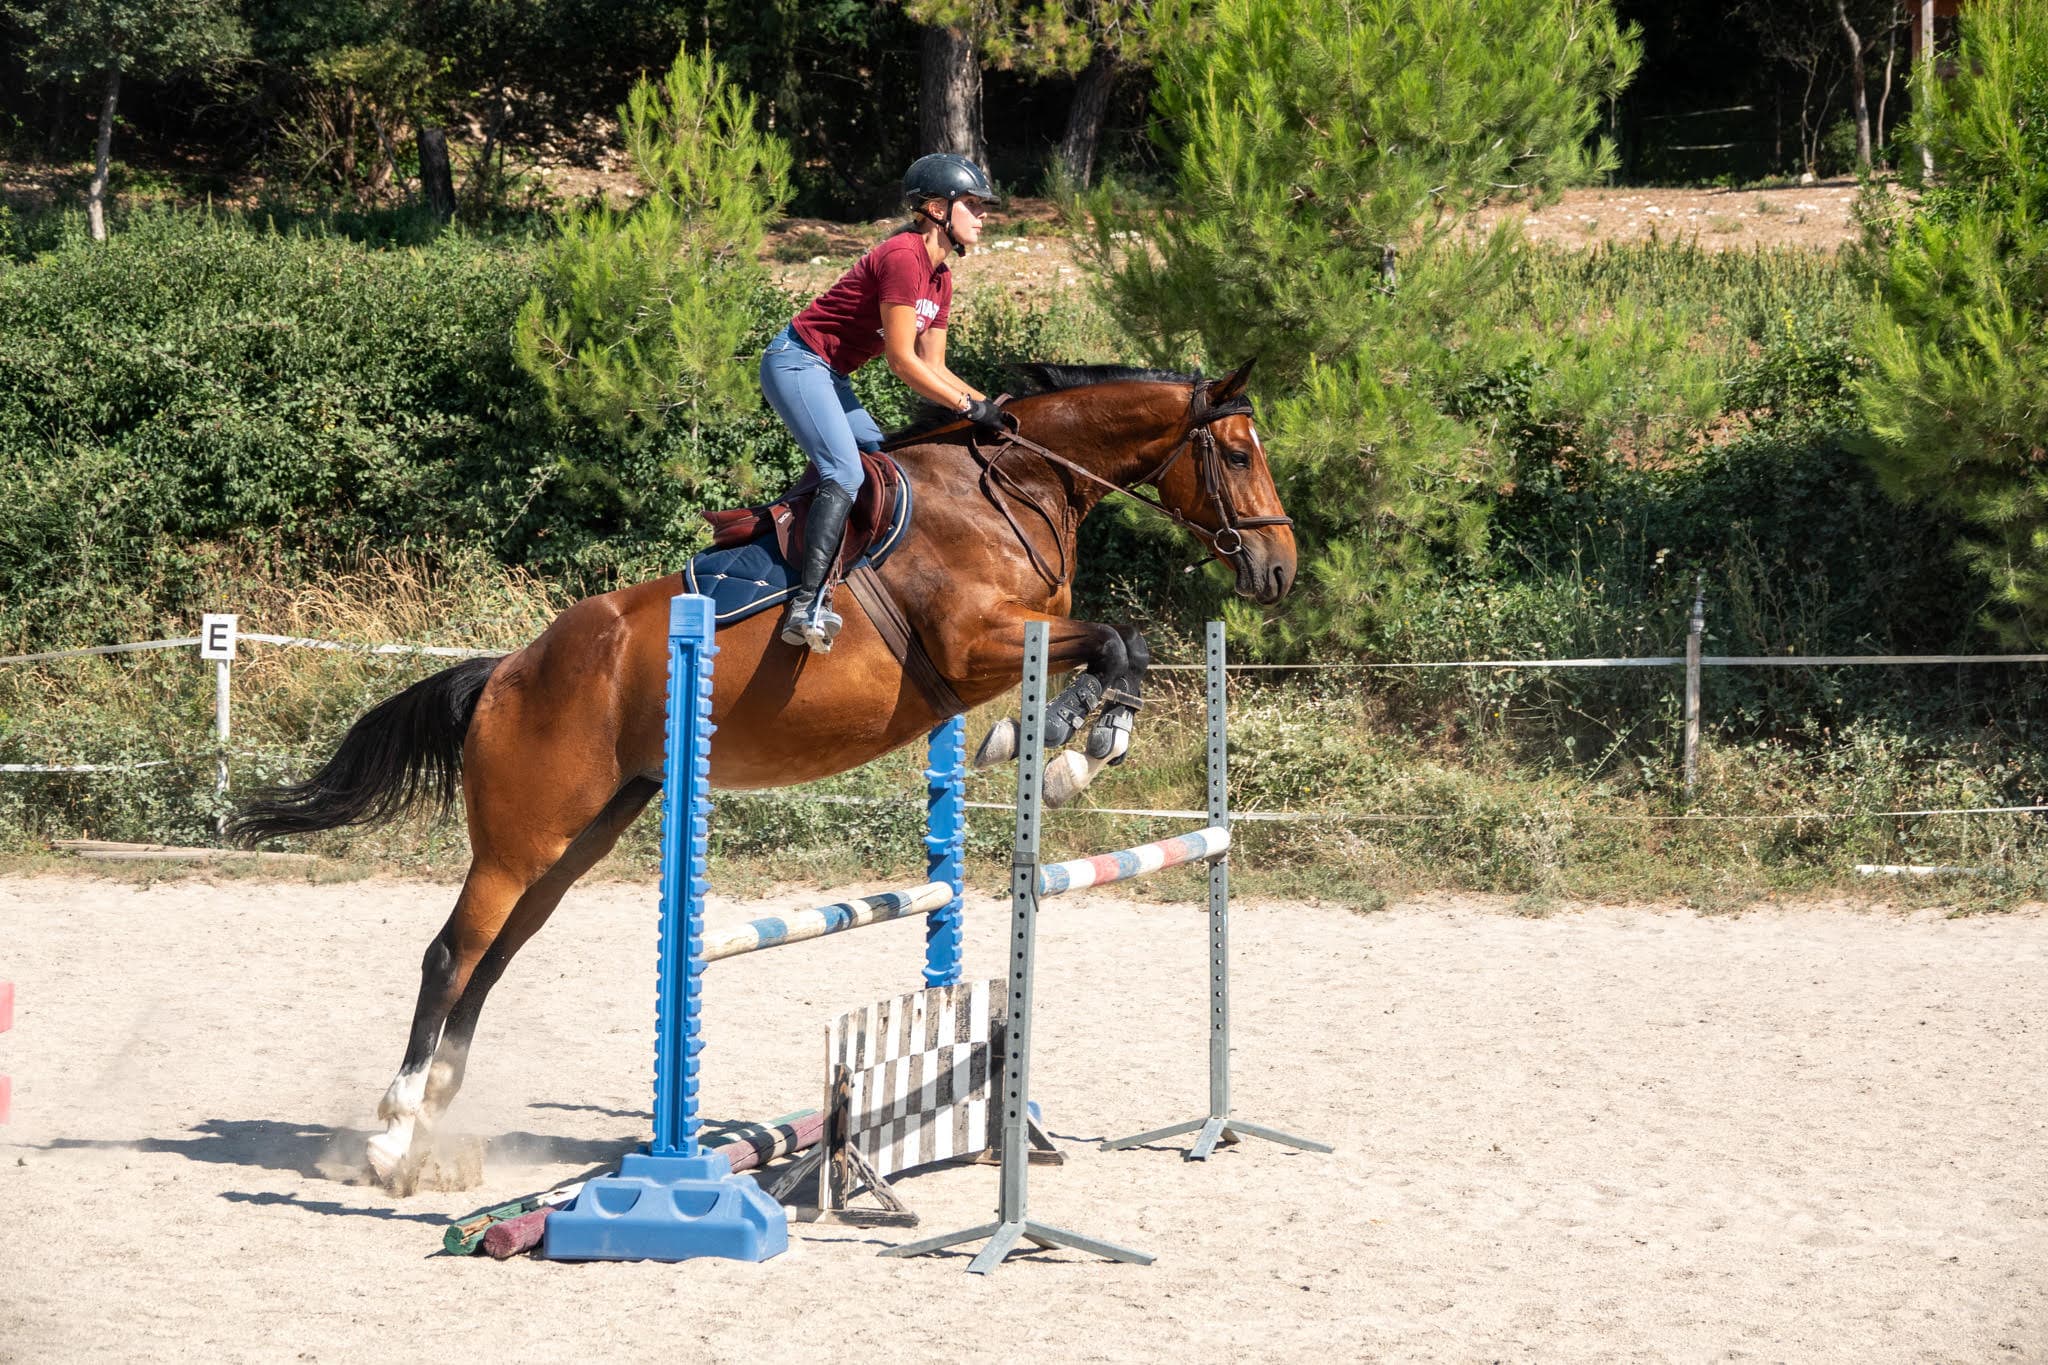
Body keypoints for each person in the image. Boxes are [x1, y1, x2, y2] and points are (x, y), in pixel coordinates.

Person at [759, 152, 1011, 653]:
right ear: (938, 208)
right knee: (846, 473)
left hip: (829, 374)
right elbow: (902, 361)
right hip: (795, 362)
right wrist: (967, 409)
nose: (983, 217)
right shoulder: (903, 257)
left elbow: (934, 365)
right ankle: (807, 604)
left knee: (883, 465)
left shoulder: (941, 278)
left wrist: (996, 408)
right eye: (975, 206)